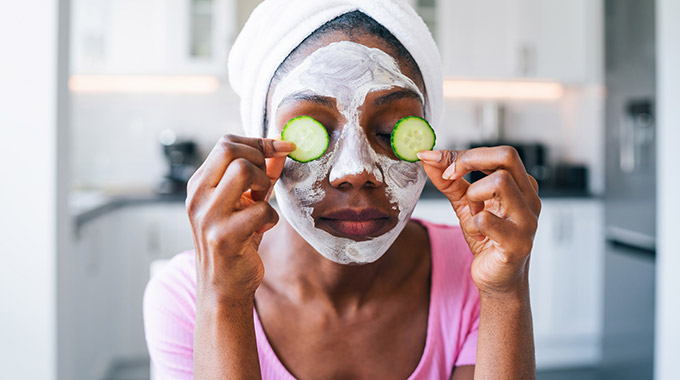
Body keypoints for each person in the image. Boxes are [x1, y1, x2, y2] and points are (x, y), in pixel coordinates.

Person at [143, 1, 541, 379]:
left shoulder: (478, 272)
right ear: (261, 140)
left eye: (390, 131)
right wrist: (226, 300)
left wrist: (505, 294)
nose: (355, 171)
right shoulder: (188, 297)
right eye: (310, 133)